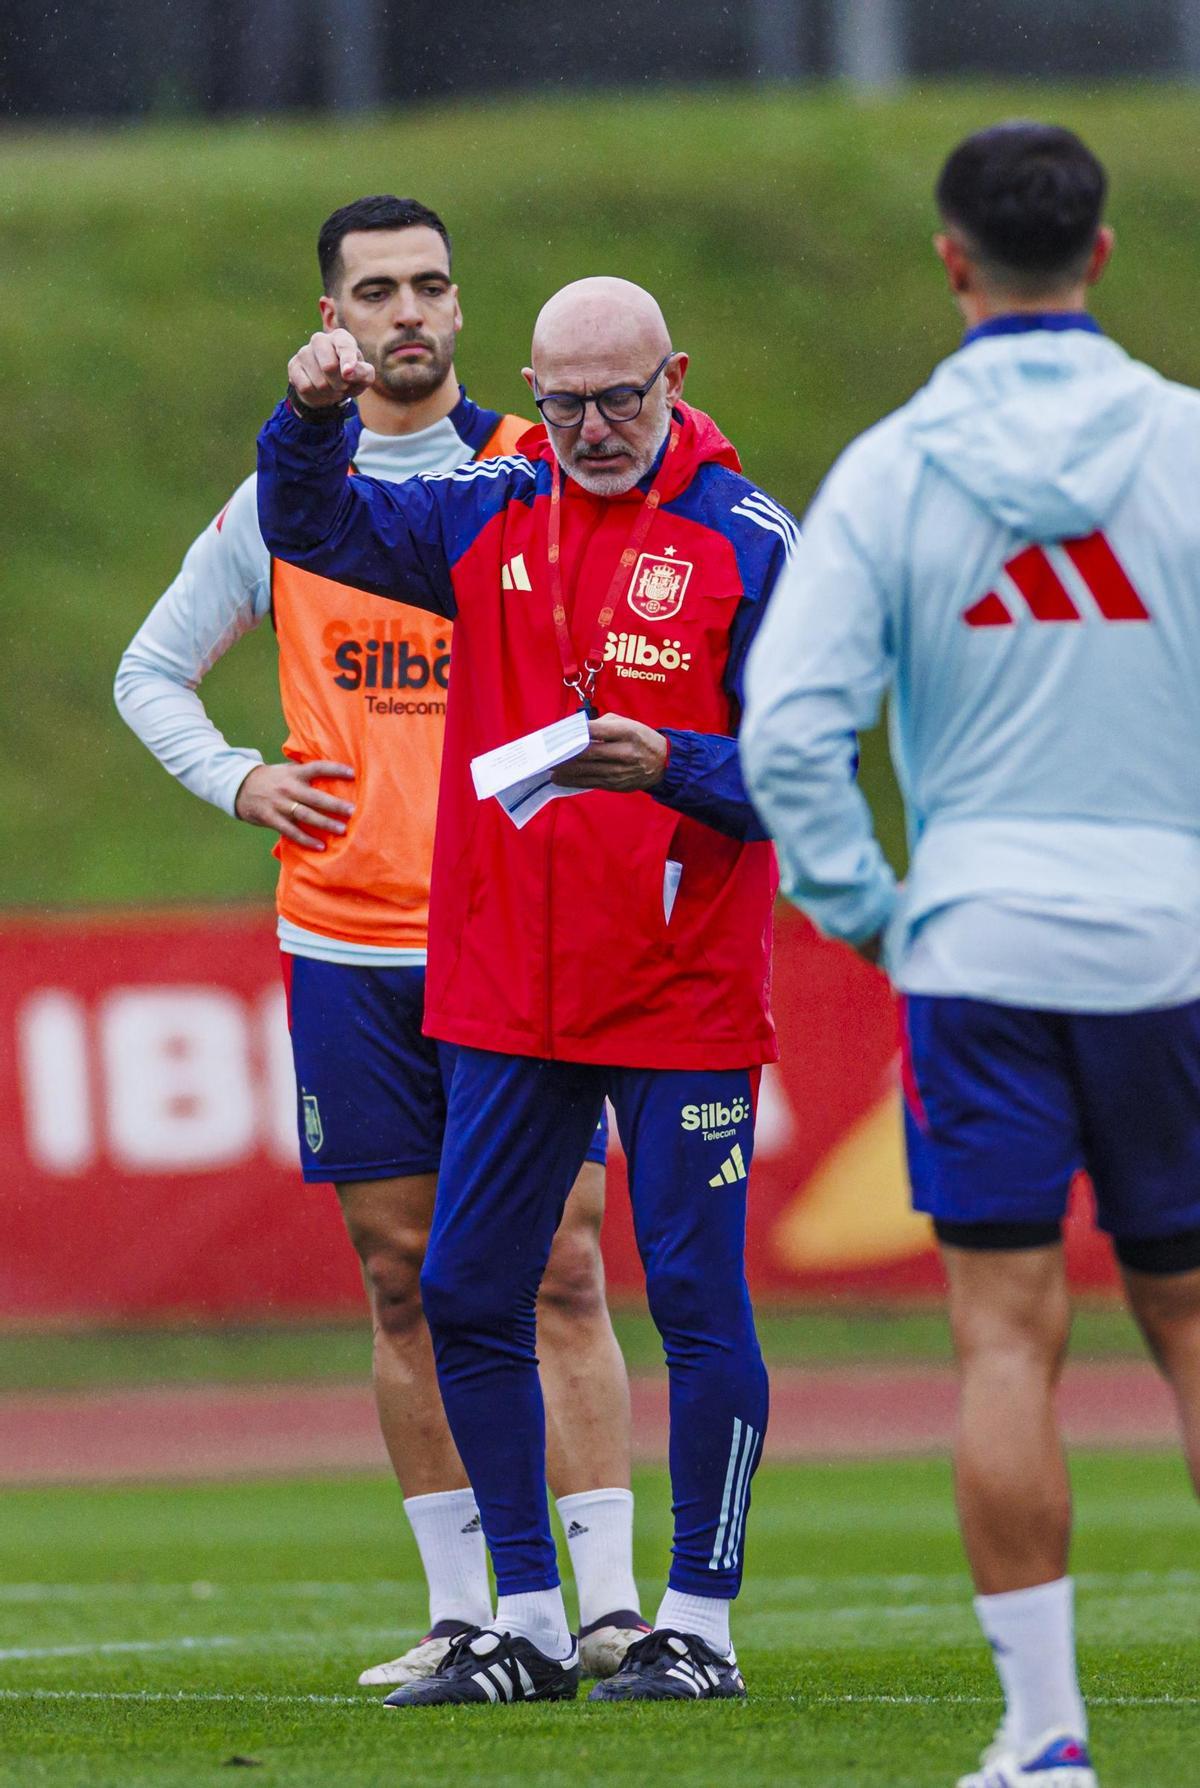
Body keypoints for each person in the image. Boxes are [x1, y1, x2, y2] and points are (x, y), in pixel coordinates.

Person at [115, 195, 644, 1689]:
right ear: (330, 319)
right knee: (400, 1276)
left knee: (565, 1263)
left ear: (464, 310)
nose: (405, 312)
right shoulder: (288, 498)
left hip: (518, 932)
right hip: (348, 938)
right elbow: (150, 670)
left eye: (428, 286)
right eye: (373, 291)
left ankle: (602, 1604)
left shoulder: (538, 478)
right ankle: (467, 1611)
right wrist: (240, 776)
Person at [256, 275, 793, 1706]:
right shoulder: (490, 506)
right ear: (531, 394)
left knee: (688, 1287)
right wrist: (310, 419)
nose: (594, 428)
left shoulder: (747, 545)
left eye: (621, 397)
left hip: (676, 990)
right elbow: (309, 526)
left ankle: (700, 1620)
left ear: (675, 373)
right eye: (562, 403)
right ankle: (529, 1621)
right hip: (507, 990)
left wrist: (671, 765)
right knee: (462, 1286)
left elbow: (806, 772)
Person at [741, 121, 1200, 1788]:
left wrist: (875, 907)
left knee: (1007, 1339)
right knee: (1194, 1321)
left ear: (953, 263)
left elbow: (789, 730)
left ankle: (1044, 1732)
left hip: (984, 938)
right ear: (1100, 252)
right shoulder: (1186, 444)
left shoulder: (894, 468)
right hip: (1170, 934)